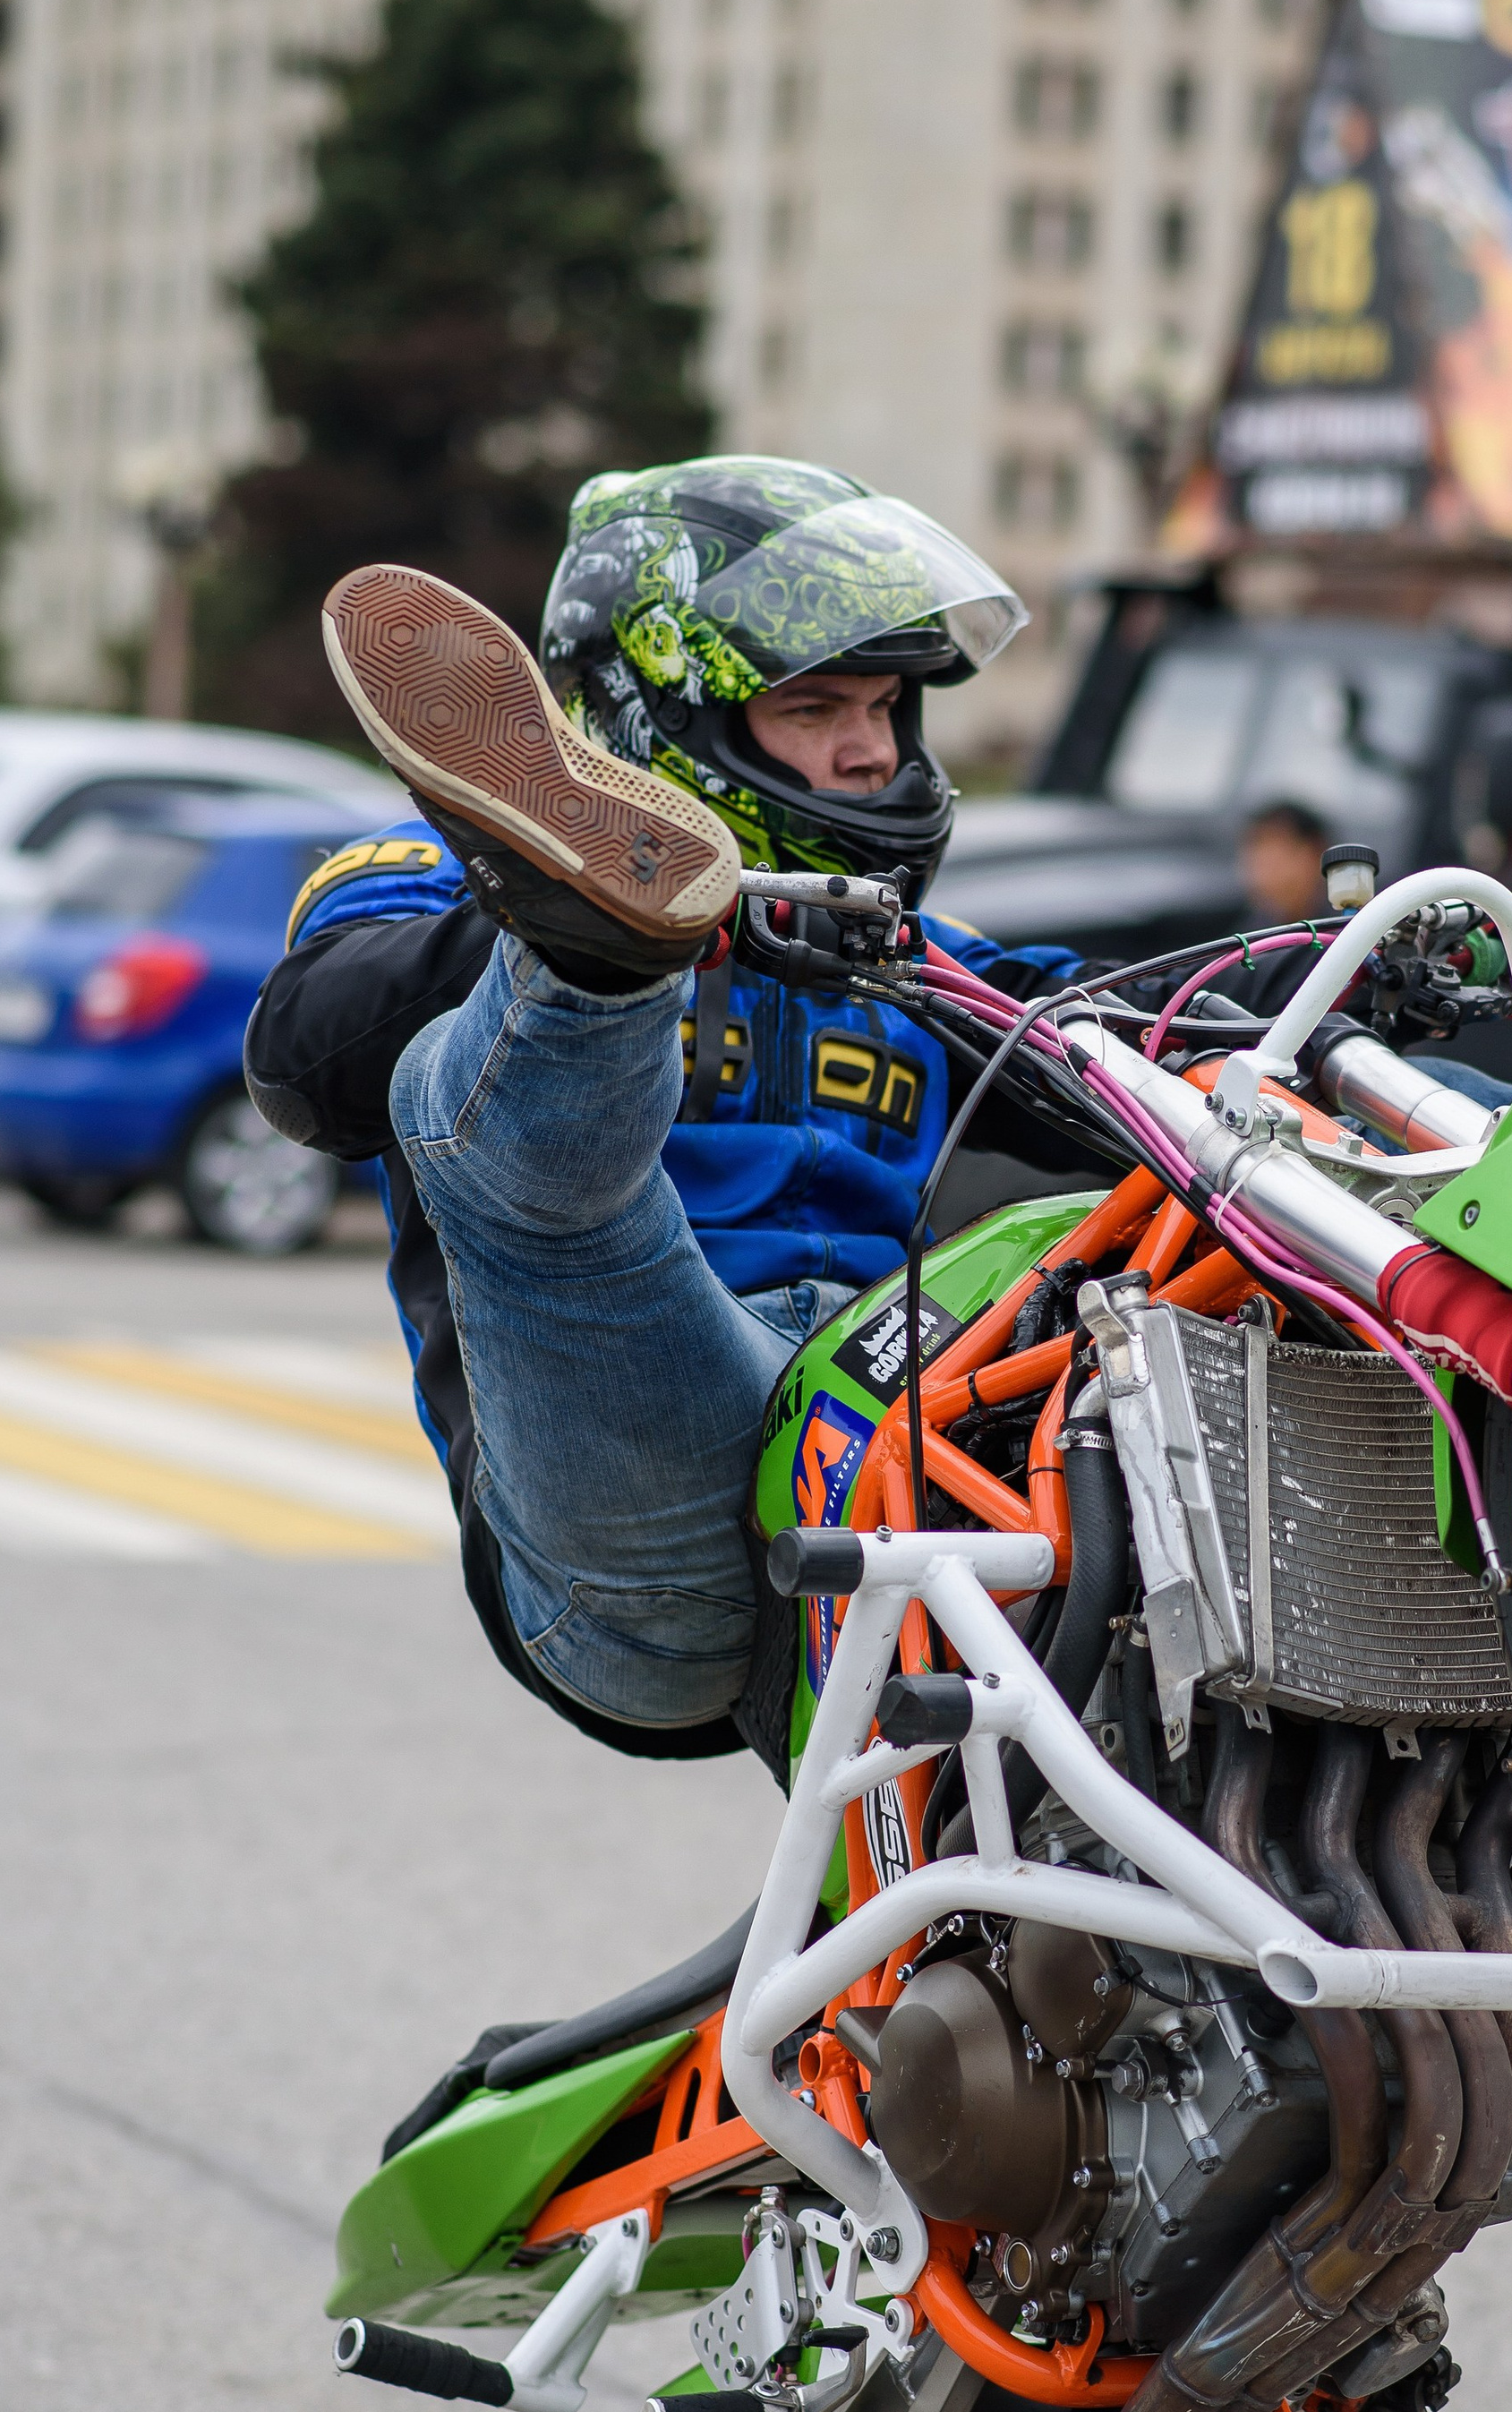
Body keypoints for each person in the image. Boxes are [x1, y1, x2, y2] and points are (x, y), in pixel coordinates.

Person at [245, 456, 1076, 1777]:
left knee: (1194, 1166)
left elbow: (1161, 1031)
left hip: (924, 1469)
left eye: (885, 706)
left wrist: (1388, 999)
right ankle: (600, 941)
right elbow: (304, 1061)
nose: (871, 747)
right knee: (501, 1087)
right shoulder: (417, 889)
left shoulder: (933, 957)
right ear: (659, 723)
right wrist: (567, 930)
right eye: (817, 705)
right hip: (651, 1546)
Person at [1236, 799, 1331, 924]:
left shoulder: (1352, 926)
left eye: (1274, 863)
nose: (1262, 878)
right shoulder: (1251, 938)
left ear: (1314, 853)